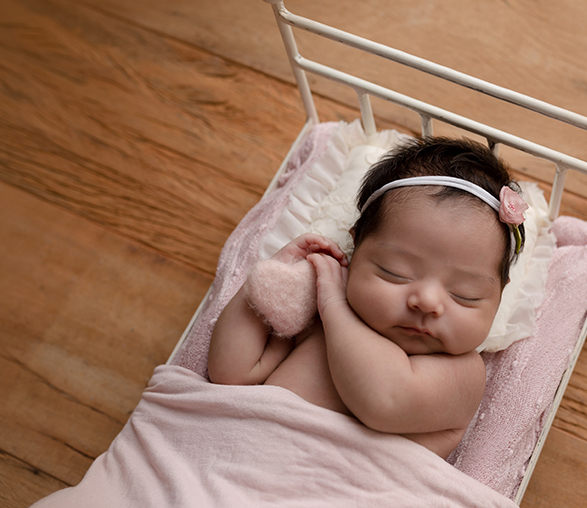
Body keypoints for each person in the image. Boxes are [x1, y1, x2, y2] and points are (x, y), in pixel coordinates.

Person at [208, 137, 527, 458]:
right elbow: (230, 373)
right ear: (354, 248)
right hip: (247, 457)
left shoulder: (462, 374)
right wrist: (270, 279)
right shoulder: (315, 320)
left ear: (498, 297)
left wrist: (335, 308)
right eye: (395, 272)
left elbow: (383, 401)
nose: (428, 301)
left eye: (465, 295)